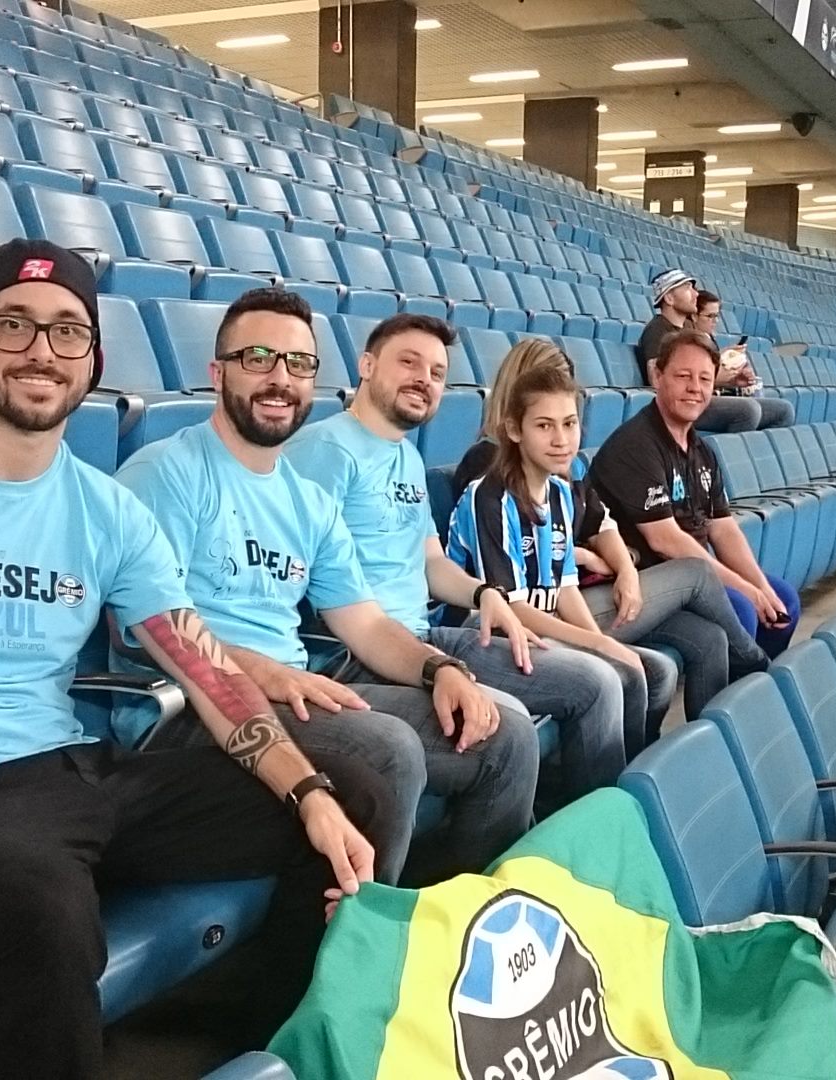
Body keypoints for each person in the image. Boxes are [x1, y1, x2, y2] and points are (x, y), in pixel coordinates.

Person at [0, 241, 384, 1079]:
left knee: (348, 796)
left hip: (80, 774)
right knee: (46, 908)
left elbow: (207, 672)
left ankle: (250, 1044)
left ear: (94, 362)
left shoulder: (110, 511)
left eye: (68, 332)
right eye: (13, 325)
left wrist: (307, 791)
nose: (42, 351)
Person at [113, 289, 538, 886]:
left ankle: (449, 920)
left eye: (299, 364)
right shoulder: (167, 473)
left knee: (507, 734)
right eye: (258, 358)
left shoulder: (305, 499)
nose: (280, 379)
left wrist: (441, 669)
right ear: (218, 373)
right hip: (190, 706)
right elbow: (152, 634)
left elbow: (363, 622)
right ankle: (363, 948)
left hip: (298, 694)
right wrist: (267, 672)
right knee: (390, 748)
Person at [287, 314, 635, 802]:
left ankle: (587, 831)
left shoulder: (405, 455)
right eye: (408, 362)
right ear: (366, 366)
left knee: (596, 682)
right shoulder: (324, 450)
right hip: (360, 653)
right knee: (508, 727)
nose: (423, 379)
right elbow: (315, 593)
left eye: (436, 372)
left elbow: (431, 562)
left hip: (425, 634)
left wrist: (483, 593)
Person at [453, 338, 770, 725]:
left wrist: (622, 566)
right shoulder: (489, 471)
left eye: (568, 418)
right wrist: (588, 564)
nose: (560, 433)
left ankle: (703, 745)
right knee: (696, 573)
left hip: (574, 595)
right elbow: (523, 574)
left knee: (707, 640)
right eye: (545, 417)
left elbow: (597, 524)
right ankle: (760, 672)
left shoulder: (562, 476)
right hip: (519, 617)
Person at [446, 362, 678, 757]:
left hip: (542, 628)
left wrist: (602, 642)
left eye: (569, 424)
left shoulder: (560, 492)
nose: (561, 439)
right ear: (515, 431)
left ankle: (631, 774)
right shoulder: (490, 496)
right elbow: (511, 607)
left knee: (657, 672)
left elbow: (564, 586)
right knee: (608, 675)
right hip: (485, 633)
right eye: (544, 426)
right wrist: (598, 647)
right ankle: (592, 794)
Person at [590, 329, 803, 658]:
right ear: (658, 376)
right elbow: (666, 542)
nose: (695, 388)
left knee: (783, 599)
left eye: (705, 379)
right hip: (650, 580)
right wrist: (746, 590)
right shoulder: (635, 445)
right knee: (742, 608)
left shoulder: (701, 449)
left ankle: (755, 694)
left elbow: (723, 528)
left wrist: (760, 585)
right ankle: (738, 692)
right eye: (683, 376)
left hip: (699, 575)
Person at [636, 269, 775, 434]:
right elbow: (656, 381)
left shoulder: (689, 329)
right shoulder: (657, 330)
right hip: (680, 403)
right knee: (748, 411)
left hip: (700, 395)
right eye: (688, 288)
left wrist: (730, 380)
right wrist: (716, 379)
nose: (696, 294)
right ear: (669, 298)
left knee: (783, 411)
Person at [692, 290, 794, 430]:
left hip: (716, 393)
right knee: (749, 411)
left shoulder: (709, 339)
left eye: (717, 316)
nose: (715, 321)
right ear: (694, 316)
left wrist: (734, 380)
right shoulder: (687, 343)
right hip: (699, 401)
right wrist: (719, 377)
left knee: (785, 411)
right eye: (710, 316)